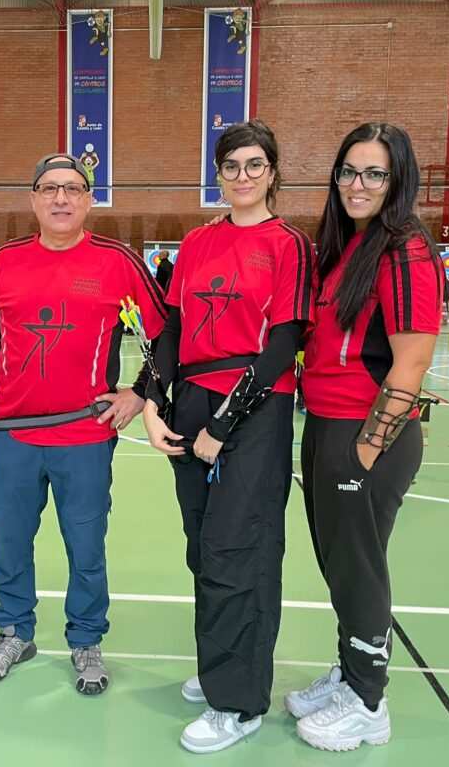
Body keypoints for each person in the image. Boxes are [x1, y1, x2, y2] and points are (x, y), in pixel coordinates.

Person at [0, 153, 166, 695]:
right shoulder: (4, 262)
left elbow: (168, 334)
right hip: (15, 435)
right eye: (49, 188)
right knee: (11, 543)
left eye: (73, 189)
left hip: (84, 435)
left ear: (89, 199)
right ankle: (14, 630)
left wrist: (137, 394)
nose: (61, 199)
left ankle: (87, 637)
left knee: (86, 546)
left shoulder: (118, 261)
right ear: (33, 198)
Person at [142, 120, 313, 754]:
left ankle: (237, 703)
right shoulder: (195, 244)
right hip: (190, 403)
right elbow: (173, 326)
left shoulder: (289, 244)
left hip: (255, 409)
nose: (241, 176)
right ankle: (222, 665)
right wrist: (157, 404)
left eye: (253, 165)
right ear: (218, 174)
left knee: (240, 549)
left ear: (272, 171)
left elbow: (284, 344)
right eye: (230, 166)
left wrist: (222, 423)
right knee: (204, 546)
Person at [289, 122, 445, 751]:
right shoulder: (346, 246)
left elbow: (410, 364)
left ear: (397, 180)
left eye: (375, 173)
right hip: (326, 426)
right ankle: (351, 672)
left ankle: (367, 700)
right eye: (350, 171)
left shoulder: (404, 250)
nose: (359, 185)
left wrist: (367, 448)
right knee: (339, 562)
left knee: (358, 567)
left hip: (364, 434)